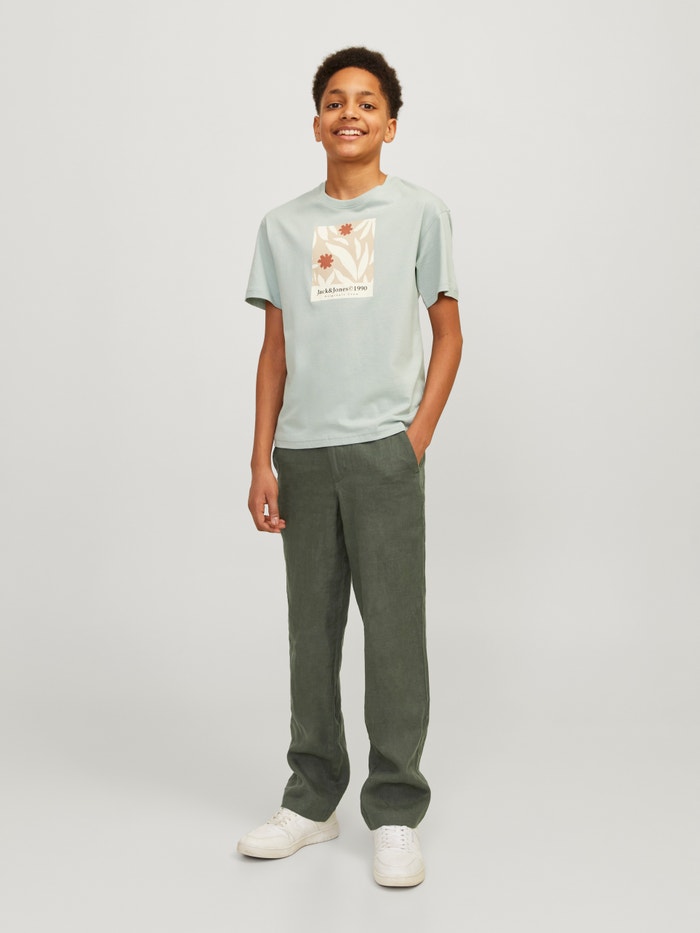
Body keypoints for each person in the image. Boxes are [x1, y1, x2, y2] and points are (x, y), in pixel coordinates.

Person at [236, 46, 462, 887]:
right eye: (335, 101)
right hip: (302, 454)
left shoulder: (420, 213)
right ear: (316, 122)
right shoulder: (281, 225)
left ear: (390, 125)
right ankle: (312, 799)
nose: (350, 113)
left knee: (394, 632)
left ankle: (395, 809)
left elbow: (449, 333)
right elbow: (274, 352)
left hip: (382, 452)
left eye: (367, 102)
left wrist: (415, 436)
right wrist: (260, 458)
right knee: (312, 631)